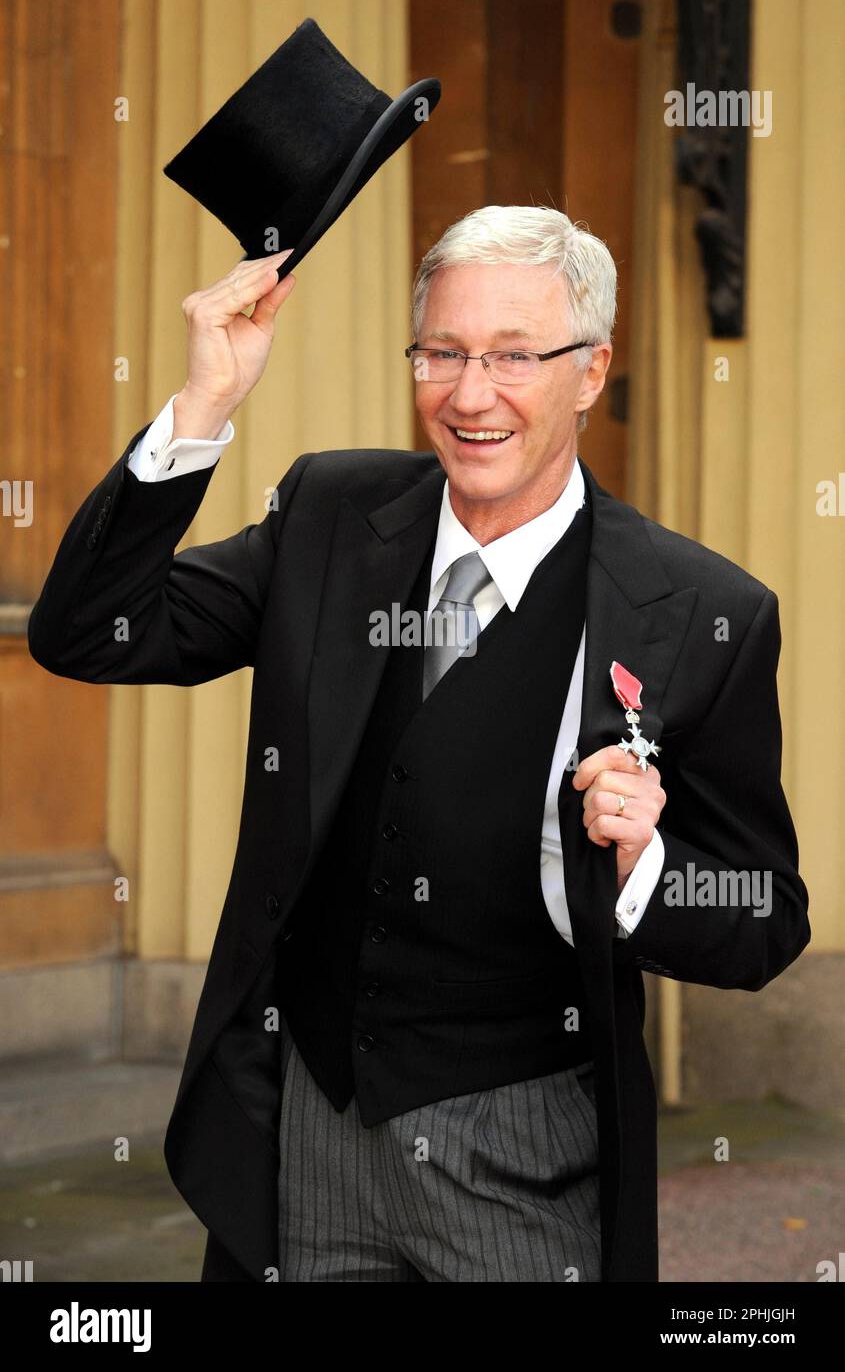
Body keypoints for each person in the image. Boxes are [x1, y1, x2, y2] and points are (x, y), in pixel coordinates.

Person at [28, 205, 810, 1282]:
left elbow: (765, 915)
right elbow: (90, 632)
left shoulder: (700, 610)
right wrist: (205, 403)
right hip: (309, 1132)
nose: (469, 394)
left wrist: (646, 872)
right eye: (441, 352)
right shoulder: (329, 517)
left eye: (512, 356)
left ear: (590, 371)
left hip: (527, 1156)